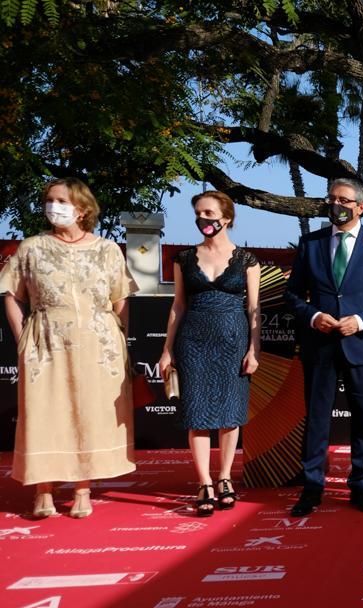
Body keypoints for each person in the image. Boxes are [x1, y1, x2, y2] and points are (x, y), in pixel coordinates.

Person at [0, 178, 137, 518]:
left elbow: (121, 299)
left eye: (60, 200)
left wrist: (116, 338)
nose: (52, 206)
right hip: (45, 342)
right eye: (49, 199)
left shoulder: (107, 249)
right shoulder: (31, 247)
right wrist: (22, 340)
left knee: (88, 414)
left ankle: (82, 489)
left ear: (82, 208)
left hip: (97, 344)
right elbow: (11, 295)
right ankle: (43, 490)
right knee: (43, 414)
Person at [283, 178, 363, 516]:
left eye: (344, 200)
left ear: (360, 206)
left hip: (361, 345)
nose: (336, 204)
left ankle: (360, 484)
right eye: (332, 198)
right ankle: (312, 487)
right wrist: (314, 315)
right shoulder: (311, 243)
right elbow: (292, 295)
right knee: (318, 417)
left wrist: (362, 321)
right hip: (319, 345)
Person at [158, 191, 261, 516]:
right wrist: (166, 349)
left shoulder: (247, 259)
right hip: (194, 341)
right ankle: (204, 482)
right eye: (198, 214)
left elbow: (254, 308)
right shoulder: (184, 258)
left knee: (230, 415)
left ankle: (225, 477)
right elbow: (178, 305)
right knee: (197, 414)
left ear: (226, 217)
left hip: (233, 339)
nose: (203, 219)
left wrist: (253, 349)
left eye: (209, 213)